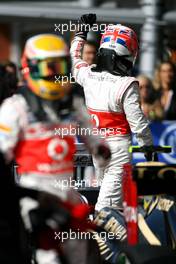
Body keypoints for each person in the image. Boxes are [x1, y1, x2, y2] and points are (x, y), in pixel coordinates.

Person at [0, 33, 111, 207]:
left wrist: (105, 151)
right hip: (33, 196)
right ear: (31, 67)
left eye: (60, 67)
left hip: (68, 194)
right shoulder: (15, 107)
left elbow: (96, 141)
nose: (54, 75)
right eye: (48, 68)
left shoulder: (73, 104)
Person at [70, 14, 153, 212]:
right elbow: (139, 124)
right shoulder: (127, 84)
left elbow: (74, 57)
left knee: (106, 208)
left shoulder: (87, 74)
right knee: (108, 210)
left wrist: (81, 32)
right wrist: (148, 150)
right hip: (117, 152)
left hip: (99, 150)